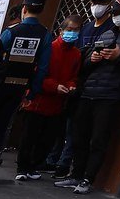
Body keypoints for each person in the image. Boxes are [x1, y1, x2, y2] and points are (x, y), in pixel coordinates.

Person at [57, 0, 120, 194]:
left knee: (98, 139)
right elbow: (84, 63)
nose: (116, 16)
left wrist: (119, 56)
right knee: (79, 136)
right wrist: (91, 60)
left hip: (111, 94)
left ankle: (87, 179)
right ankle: (75, 174)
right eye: (114, 12)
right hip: (89, 91)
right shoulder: (108, 32)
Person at [0, 0, 53, 183]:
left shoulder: (12, 31)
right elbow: (42, 68)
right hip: (19, 88)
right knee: (0, 127)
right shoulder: (45, 35)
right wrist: (32, 92)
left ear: (24, 9)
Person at [17, 16, 84, 180]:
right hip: (38, 101)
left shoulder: (76, 54)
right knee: (29, 137)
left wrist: (70, 86)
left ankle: (34, 167)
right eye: (70, 30)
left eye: (76, 30)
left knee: (47, 139)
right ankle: (22, 168)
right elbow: (37, 73)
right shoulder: (50, 48)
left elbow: (74, 76)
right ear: (61, 31)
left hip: (57, 105)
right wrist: (54, 86)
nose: (72, 33)